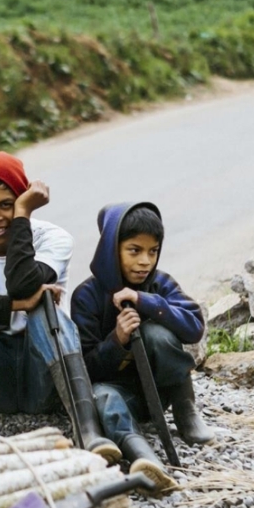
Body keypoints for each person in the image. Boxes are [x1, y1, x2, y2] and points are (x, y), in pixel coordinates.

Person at [0, 151, 120, 464]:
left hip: (42, 376)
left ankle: (88, 430)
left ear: (22, 198)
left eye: (6, 204)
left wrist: (23, 215)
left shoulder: (54, 238)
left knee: (43, 306)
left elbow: (23, 283)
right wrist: (14, 305)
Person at [71, 202, 214, 492]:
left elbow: (194, 328)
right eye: (134, 250)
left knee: (157, 333)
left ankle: (187, 414)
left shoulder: (160, 285)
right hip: (122, 398)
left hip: (163, 393)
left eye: (153, 251)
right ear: (112, 249)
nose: (145, 261)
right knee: (103, 397)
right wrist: (117, 340)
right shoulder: (86, 296)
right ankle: (143, 456)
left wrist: (145, 301)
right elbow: (85, 369)